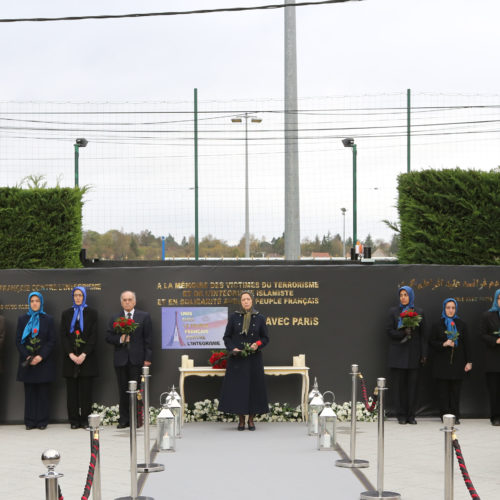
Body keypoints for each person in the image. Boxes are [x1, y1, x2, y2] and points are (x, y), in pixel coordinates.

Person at [218, 291, 269, 430]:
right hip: (237, 360)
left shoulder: (260, 318)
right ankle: (241, 420)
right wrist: (233, 349)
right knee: (239, 390)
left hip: (254, 359)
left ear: (252, 301)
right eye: (243, 299)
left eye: (248, 299)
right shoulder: (234, 317)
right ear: (240, 302)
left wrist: (257, 344)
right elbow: (227, 337)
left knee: (254, 389)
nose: (246, 301)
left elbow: (265, 338)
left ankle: (251, 420)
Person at [105, 290, 152, 428]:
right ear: (121, 302)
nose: (127, 302)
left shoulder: (144, 316)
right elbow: (108, 337)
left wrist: (147, 359)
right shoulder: (115, 317)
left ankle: (136, 419)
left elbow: (148, 339)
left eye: (130, 299)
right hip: (121, 360)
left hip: (137, 360)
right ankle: (124, 420)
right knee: (123, 390)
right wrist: (120, 339)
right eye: (124, 300)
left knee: (137, 391)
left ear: (134, 301)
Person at [15, 292, 56, 430]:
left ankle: (42, 421)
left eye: (37, 301)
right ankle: (30, 421)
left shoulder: (48, 319)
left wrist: (40, 356)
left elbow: (51, 341)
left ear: (41, 303)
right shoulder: (22, 319)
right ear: (29, 303)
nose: (34, 303)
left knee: (43, 393)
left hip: (43, 362)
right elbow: (18, 341)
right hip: (28, 363)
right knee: (30, 393)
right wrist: (28, 356)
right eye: (32, 301)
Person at [386, 285, 427, 425]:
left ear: (411, 296)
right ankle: (401, 415)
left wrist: (423, 354)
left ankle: (411, 415)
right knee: (399, 387)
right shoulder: (393, 312)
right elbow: (389, 331)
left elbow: (423, 336)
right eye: (401, 295)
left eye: (406, 295)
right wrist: (403, 333)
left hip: (414, 355)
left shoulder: (419, 312)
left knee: (412, 387)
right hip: (398, 355)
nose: (403, 297)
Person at [60, 286, 99, 429]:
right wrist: (71, 354)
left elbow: (94, 337)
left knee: (86, 392)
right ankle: (74, 421)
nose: (77, 298)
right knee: (72, 393)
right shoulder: (66, 313)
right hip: (70, 359)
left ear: (84, 297)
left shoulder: (92, 313)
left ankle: (84, 420)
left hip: (86, 359)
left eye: (80, 295)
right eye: (75, 295)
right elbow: (63, 336)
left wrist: (83, 354)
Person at [430, 298, 472, 423]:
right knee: (443, 392)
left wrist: (469, 361)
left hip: (457, 363)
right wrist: (444, 343)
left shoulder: (461, 324)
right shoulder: (437, 324)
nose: (450, 310)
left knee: (455, 392)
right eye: (448, 307)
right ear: (444, 309)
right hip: (441, 363)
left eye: (453, 308)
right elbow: (431, 342)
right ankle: (445, 415)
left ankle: (455, 416)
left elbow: (467, 344)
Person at [480, 289, 500, 426]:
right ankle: (496, 417)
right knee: (494, 391)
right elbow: (482, 334)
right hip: (493, 360)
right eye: (499, 298)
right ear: (496, 300)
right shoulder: (487, 315)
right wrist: (495, 340)